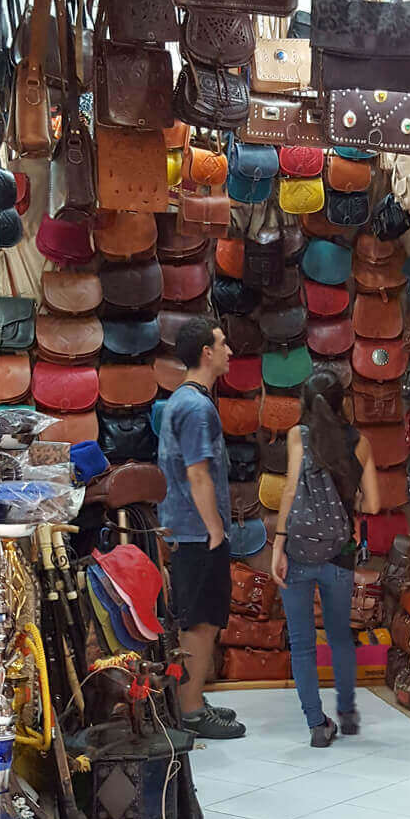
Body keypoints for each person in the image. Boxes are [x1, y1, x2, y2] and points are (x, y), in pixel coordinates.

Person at [271, 369, 380, 747]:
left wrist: (278, 546)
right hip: (339, 554)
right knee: (339, 639)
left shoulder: (296, 438)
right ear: (342, 403)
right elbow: (376, 503)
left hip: (297, 550)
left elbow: (288, 492)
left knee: (301, 642)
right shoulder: (359, 442)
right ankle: (347, 713)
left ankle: (317, 725)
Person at [158, 316, 245, 740]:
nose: (230, 351)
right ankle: (190, 709)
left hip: (187, 527)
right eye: (223, 344)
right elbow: (197, 474)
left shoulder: (184, 400)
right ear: (206, 353)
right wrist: (215, 530)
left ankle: (190, 697)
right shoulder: (195, 406)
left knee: (200, 617)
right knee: (202, 621)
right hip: (196, 531)